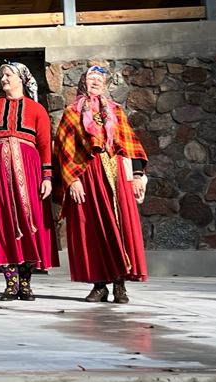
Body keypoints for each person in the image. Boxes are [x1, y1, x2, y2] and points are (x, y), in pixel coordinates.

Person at [54, 65, 148, 304]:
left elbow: (130, 143)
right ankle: (99, 285)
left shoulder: (116, 111)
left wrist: (137, 175)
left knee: (119, 225)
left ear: (104, 85)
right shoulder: (72, 113)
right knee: (93, 228)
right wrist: (72, 179)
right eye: (91, 78)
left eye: (99, 79)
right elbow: (64, 150)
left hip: (117, 175)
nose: (95, 82)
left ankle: (120, 285)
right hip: (87, 175)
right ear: (83, 83)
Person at [0, 62, 59, 301]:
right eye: (1, 75)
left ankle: (26, 283)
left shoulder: (37, 110)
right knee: (2, 220)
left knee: (30, 219)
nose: (3, 79)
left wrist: (47, 177)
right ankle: (11, 283)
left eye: (8, 75)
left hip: (30, 170)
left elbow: (45, 144)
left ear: (21, 78)